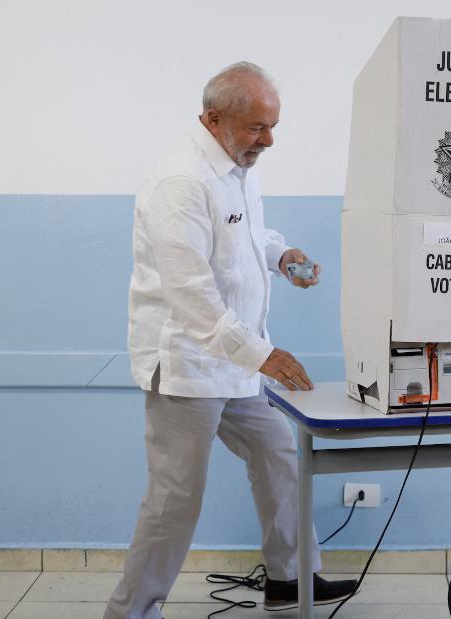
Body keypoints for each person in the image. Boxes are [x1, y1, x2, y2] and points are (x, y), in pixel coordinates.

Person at [103, 61, 358, 619]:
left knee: (279, 454)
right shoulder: (180, 183)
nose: (268, 140)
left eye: (272, 126)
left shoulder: (235, 163)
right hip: (189, 365)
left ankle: (291, 579)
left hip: (237, 364)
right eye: (256, 129)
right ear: (214, 118)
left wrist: (280, 253)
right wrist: (264, 355)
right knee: (175, 501)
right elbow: (191, 295)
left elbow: (240, 235)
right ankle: (131, 612)